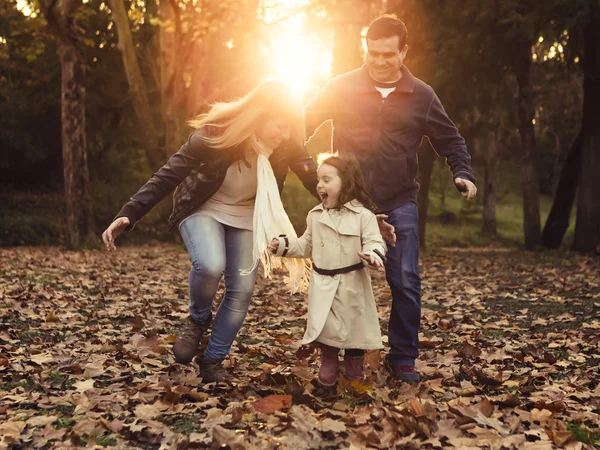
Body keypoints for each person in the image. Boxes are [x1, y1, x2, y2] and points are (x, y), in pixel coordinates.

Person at [101, 79, 319, 382]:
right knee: (210, 264)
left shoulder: (288, 144)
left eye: (290, 128)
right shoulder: (215, 136)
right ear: (260, 115)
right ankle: (197, 319)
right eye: (280, 126)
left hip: (246, 216)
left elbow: (317, 181)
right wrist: (129, 213)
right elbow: (168, 175)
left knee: (241, 290)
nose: (285, 135)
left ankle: (213, 361)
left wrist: (363, 213)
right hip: (203, 207)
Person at [304, 15, 477, 382]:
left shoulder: (422, 95)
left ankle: (402, 358)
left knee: (405, 279)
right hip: (349, 205)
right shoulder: (342, 87)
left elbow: (450, 140)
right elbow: (301, 123)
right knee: (338, 281)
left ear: (403, 51)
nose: (379, 61)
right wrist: (300, 167)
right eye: (372, 54)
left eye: (388, 54)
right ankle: (340, 357)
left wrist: (462, 172)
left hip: (399, 201)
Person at [269, 153, 386, 386]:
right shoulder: (315, 215)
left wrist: (373, 255)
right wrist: (283, 245)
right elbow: (305, 244)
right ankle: (328, 372)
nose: (319, 185)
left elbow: (375, 241)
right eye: (319, 181)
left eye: (326, 180)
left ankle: (354, 377)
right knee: (328, 331)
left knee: (355, 332)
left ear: (346, 181)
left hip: (353, 284)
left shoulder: (364, 216)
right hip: (324, 285)